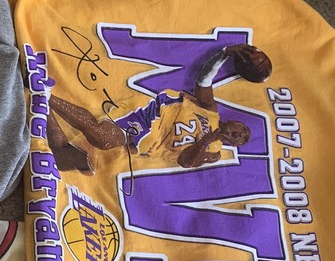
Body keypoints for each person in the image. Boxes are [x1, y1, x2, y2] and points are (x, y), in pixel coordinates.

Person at [46, 44, 267, 173]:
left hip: (147, 143)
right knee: (103, 138)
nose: (241, 135)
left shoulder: (214, 153)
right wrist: (225, 53)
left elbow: (186, 161)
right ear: (233, 121)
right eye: (244, 130)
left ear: (234, 145)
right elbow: (204, 79)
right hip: (151, 114)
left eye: (242, 140)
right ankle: (46, 95)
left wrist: (209, 139)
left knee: (72, 160)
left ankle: (40, 105)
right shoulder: (210, 110)